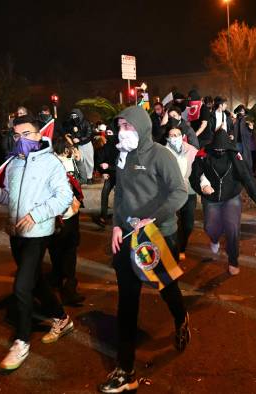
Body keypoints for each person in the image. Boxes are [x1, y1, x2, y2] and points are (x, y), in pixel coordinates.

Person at [99, 107, 189, 393]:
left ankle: (181, 317)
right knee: (127, 300)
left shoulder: (161, 155)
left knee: (166, 287)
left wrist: (154, 218)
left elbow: (179, 192)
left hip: (155, 236)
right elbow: (122, 193)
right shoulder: (122, 155)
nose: (123, 130)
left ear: (141, 127)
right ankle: (126, 370)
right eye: (120, 125)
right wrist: (115, 225)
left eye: (128, 125)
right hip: (127, 236)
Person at [0, 115, 74, 372]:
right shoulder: (13, 164)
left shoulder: (51, 163)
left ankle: (21, 341)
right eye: (15, 135)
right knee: (35, 282)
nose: (19, 139)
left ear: (38, 135)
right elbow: (10, 198)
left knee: (21, 287)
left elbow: (64, 196)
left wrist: (36, 215)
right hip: (15, 233)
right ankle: (62, 318)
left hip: (38, 232)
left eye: (25, 134)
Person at [190, 130, 256, 276]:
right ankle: (215, 239)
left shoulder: (234, 154)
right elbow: (194, 177)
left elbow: (245, 175)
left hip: (231, 196)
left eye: (222, 149)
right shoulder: (203, 154)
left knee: (232, 228)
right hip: (211, 198)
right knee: (210, 227)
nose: (219, 151)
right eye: (217, 149)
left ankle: (233, 261)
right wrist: (201, 189)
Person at [50, 137, 86, 305]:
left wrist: (79, 162)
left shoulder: (71, 161)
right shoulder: (50, 163)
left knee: (69, 250)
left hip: (72, 213)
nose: (71, 149)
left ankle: (67, 285)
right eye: (69, 147)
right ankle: (61, 282)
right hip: (56, 215)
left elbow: (83, 179)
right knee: (58, 249)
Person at [165, 127, 198, 261]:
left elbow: (199, 169)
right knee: (172, 224)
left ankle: (182, 246)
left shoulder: (192, 150)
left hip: (189, 192)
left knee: (188, 224)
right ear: (168, 137)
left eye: (177, 134)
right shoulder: (163, 152)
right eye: (171, 135)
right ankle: (174, 250)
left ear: (182, 136)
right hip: (171, 194)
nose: (174, 137)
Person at [92, 126, 118, 228]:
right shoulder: (104, 148)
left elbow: (122, 164)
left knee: (120, 197)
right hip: (109, 176)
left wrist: (109, 166)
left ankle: (119, 216)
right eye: (107, 133)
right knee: (104, 194)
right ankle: (103, 216)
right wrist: (103, 172)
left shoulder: (121, 148)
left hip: (120, 176)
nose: (108, 135)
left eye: (111, 133)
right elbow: (98, 161)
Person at [66, 109, 94, 184]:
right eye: (72, 116)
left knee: (89, 161)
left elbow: (89, 134)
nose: (73, 117)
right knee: (80, 161)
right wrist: (72, 135)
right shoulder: (72, 124)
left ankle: (89, 177)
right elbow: (73, 135)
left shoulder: (86, 123)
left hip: (87, 144)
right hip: (78, 146)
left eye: (75, 115)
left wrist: (80, 139)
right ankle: (82, 177)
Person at [232, 104, 255, 174]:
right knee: (238, 158)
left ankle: (248, 173)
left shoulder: (247, 119)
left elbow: (251, 129)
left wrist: (251, 128)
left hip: (245, 141)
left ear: (245, 111)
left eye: (243, 110)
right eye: (240, 110)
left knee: (246, 158)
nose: (241, 112)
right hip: (237, 142)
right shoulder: (235, 120)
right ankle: (239, 173)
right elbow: (232, 129)